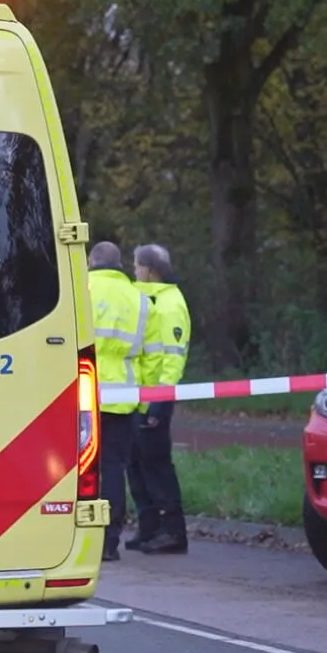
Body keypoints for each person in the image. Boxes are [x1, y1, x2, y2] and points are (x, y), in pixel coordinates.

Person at [128, 243, 192, 554]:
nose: (133, 271)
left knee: (157, 467)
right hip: (139, 398)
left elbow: (173, 358)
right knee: (138, 466)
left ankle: (173, 532)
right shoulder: (150, 299)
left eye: (137, 266)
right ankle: (149, 527)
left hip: (155, 398)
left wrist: (161, 401)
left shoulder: (170, 305)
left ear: (150, 270)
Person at [88, 240, 150, 562]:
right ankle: (109, 542)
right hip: (124, 395)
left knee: (80, 470)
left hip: (82, 392)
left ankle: (80, 540)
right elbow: (146, 356)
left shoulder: (80, 287)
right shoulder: (139, 298)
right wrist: (145, 399)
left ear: (91, 261)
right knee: (114, 469)